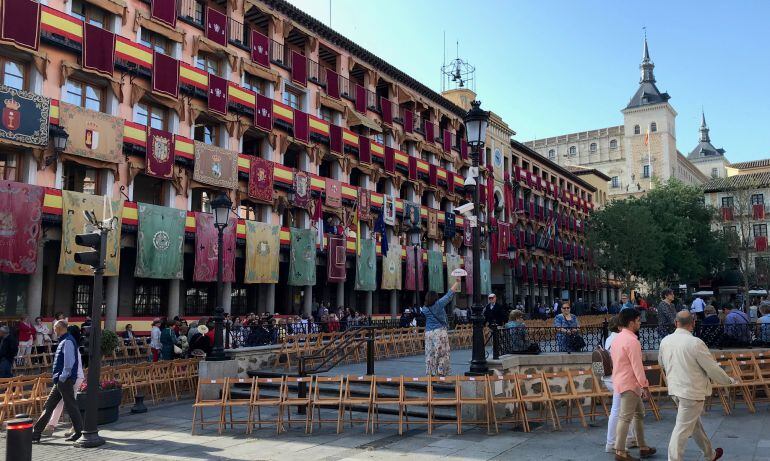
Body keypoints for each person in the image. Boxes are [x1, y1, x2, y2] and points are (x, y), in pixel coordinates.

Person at [658, 311, 732, 461]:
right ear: (692, 324)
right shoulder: (695, 343)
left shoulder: (665, 340)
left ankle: (709, 454)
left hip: (675, 389)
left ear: (675, 323)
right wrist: (728, 381)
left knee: (694, 425)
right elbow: (711, 368)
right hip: (691, 391)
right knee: (682, 430)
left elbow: (661, 363)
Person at [612, 308, 656, 460]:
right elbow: (637, 367)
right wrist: (645, 386)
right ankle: (620, 451)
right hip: (630, 383)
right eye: (638, 321)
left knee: (638, 415)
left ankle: (642, 446)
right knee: (626, 418)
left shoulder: (617, 339)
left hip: (623, 381)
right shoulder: (632, 341)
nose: (640, 323)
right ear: (631, 323)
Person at [31, 320, 84, 443]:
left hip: (63, 380)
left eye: (54, 328)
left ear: (59, 328)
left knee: (69, 406)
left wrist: (62, 377)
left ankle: (79, 432)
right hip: (62, 379)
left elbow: (69, 363)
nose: (53, 331)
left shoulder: (67, 341)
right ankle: (36, 433)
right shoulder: (66, 340)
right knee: (51, 405)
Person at [602, 315, 637, 454]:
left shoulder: (610, 339)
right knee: (618, 410)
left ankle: (628, 438)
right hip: (619, 378)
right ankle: (612, 442)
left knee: (625, 410)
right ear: (620, 326)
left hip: (611, 377)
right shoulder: (620, 338)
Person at [421, 277, 461, 377]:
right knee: (442, 352)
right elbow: (449, 295)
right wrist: (457, 282)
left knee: (430, 353)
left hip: (429, 333)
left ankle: (430, 372)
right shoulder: (438, 305)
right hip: (440, 332)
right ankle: (441, 371)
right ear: (435, 297)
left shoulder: (425, 309)